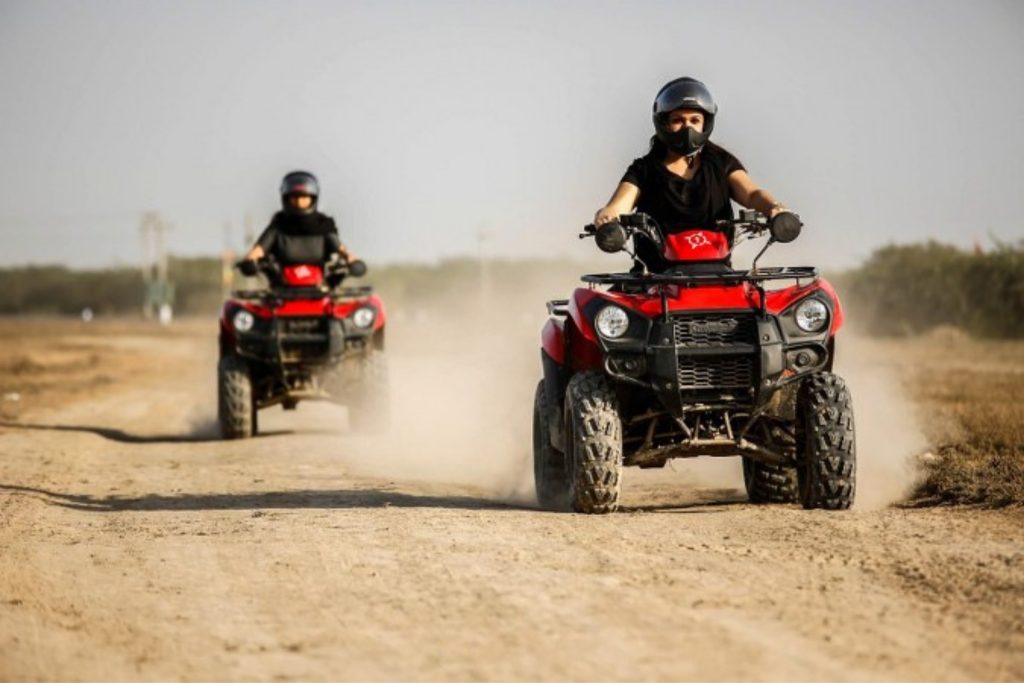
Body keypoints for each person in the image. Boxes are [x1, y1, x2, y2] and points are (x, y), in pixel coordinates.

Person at [594, 77, 793, 268]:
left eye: (694, 120)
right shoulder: (644, 169)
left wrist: (774, 207)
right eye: (678, 120)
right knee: (595, 302)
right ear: (664, 123)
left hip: (717, 278)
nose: (687, 127)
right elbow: (618, 206)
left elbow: (751, 193)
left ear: (704, 124)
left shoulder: (721, 163)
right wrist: (606, 217)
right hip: (654, 282)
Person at [241, 171, 357, 271]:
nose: (299, 202)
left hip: (320, 288)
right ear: (287, 198)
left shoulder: (324, 225)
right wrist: (250, 261)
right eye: (295, 198)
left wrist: (352, 261)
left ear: (313, 198)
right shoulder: (278, 225)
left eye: (304, 197)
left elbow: (341, 249)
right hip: (281, 289)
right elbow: (259, 249)